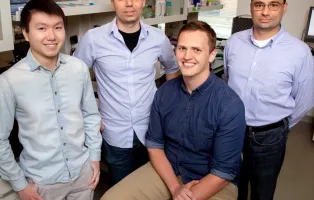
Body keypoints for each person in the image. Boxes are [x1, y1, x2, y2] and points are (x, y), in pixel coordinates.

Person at [100, 21, 246, 200]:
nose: (187, 56)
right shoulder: (165, 92)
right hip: (169, 169)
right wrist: (176, 187)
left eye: (196, 50)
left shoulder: (229, 105)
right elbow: (155, 146)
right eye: (182, 48)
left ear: (211, 55)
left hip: (213, 180)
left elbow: (223, 172)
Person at [0, 0, 102, 199]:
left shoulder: (78, 68)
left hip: (83, 176)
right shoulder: (9, 81)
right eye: (41, 28)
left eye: (58, 27)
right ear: (26, 33)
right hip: (42, 184)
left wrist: (95, 158)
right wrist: (19, 184)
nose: (51, 36)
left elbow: (90, 115)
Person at [74, 0, 179, 186]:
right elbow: (74, 78)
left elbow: (172, 68)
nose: (129, 4)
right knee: (122, 189)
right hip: (115, 132)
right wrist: (89, 113)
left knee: (152, 188)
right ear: (113, 2)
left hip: (152, 130)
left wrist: (169, 107)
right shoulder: (94, 39)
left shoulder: (157, 38)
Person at [223, 0, 314, 199]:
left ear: (284, 7)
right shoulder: (234, 42)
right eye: (259, 5)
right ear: (251, 7)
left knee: (262, 191)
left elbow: (304, 101)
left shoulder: (299, 51)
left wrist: (280, 127)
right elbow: (228, 80)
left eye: (273, 5)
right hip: (232, 130)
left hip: (270, 136)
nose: (265, 11)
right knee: (230, 185)